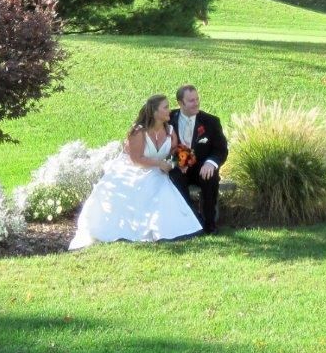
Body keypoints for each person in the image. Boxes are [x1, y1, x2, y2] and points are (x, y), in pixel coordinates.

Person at [68, 95, 202, 250]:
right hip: (132, 169)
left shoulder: (170, 131)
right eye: (165, 107)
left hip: (156, 169)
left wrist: (179, 162)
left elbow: (173, 152)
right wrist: (159, 163)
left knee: (161, 185)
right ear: (154, 112)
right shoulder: (138, 132)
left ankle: (173, 229)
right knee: (151, 184)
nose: (169, 110)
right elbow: (136, 159)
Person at [168, 85, 229, 234]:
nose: (196, 103)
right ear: (180, 103)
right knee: (174, 178)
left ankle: (210, 224)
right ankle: (192, 222)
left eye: (197, 99)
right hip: (179, 167)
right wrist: (177, 162)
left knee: (210, 177)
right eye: (191, 101)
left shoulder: (211, 121)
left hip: (202, 167)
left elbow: (221, 149)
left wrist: (211, 163)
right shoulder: (168, 119)